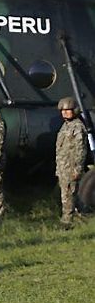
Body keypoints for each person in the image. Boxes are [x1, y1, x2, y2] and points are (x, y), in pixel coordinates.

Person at [55, 96, 88, 226]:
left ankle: (67, 222)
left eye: (68, 110)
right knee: (69, 193)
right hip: (63, 167)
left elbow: (80, 150)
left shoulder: (78, 127)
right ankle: (82, 216)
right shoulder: (65, 126)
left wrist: (77, 168)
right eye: (62, 110)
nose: (64, 112)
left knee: (68, 195)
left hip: (71, 167)